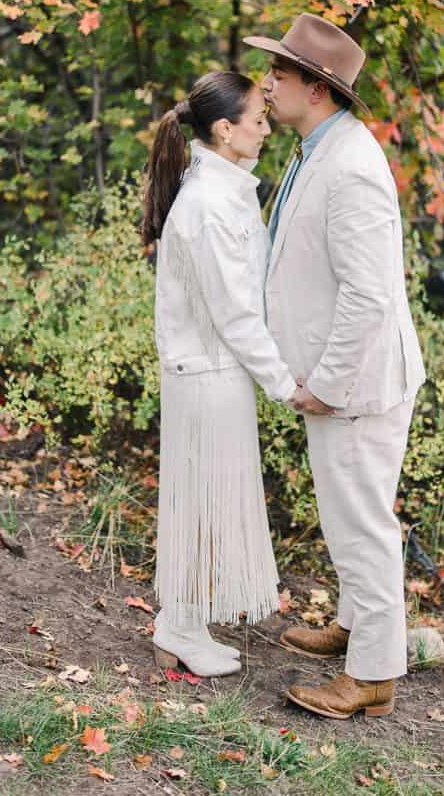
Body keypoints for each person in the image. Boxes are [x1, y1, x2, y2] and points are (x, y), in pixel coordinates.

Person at [243, 13, 426, 718]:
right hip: (337, 381)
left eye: (279, 73)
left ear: (317, 88)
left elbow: (369, 294)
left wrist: (325, 381)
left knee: (362, 521)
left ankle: (374, 676)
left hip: (356, 384)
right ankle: (355, 626)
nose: (267, 82)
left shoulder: (351, 168)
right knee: (347, 512)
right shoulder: (318, 148)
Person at [142, 70, 300, 677]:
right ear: (225, 130)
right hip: (205, 372)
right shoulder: (207, 205)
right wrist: (284, 384)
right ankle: (178, 626)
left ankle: (188, 622)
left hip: (218, 371)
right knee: (200, 499)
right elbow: (235, 313)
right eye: (259, 120)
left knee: (209, 496)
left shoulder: (224, 191)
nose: (267, 129)